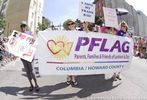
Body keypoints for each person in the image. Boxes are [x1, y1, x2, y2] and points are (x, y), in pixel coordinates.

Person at [20, 21, 40, 91]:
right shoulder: (19, 35)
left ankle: (36, 84)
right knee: (27, 72)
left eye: (24, 25)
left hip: (30, 55)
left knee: (32, 71)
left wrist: (36, 33)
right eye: (22, 26)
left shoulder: (29, 33)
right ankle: (31, 85)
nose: (23, 27)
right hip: (23, 56)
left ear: (26, 26)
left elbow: (33, 40)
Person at [64, 20, 78, 86]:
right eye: (69, 24)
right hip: (68, 52)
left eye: (72, 23)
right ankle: (68, 78)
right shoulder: (66, 33)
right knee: (68, 66)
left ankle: (73, 79)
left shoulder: (78, 32)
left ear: (74, 24)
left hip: (75, 52)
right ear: (68, 26)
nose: (71, 25)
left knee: (74, 66)